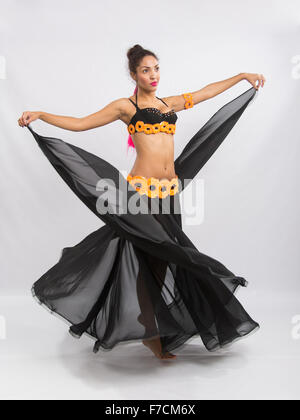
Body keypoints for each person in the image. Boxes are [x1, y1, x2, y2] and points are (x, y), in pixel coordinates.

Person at [18, 44, 266, 360]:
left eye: (156, 68)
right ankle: (150, 328)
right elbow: (82, 123)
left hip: (169, 194)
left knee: (165, 260)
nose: (153, 75)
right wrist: (41, 115)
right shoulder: (126, 106)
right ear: (134, 74)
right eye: (146, 70)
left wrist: (241, 76)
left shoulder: (169, 103)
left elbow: (205, 93)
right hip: (142, 195)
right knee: (153, 257)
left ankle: (152, 326)